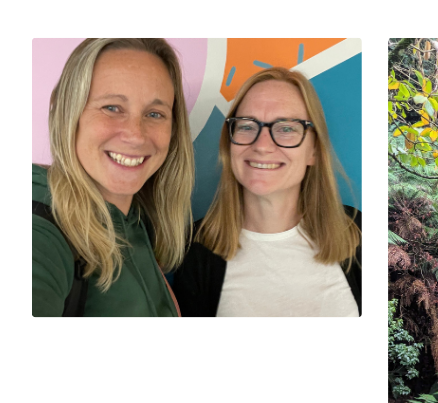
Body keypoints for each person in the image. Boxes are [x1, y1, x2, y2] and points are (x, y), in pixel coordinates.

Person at [173, 67, 362, 317]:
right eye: (247, 126)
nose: (262, 146)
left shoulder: (356, 231)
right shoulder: (196, 251)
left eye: (286, 128)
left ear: (314, 150)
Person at [32, 37, 193, 317]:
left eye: (155, 114)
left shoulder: (141, 220)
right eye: (112, 108)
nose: (135, 135)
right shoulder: (43, 227)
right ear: (64, 108)